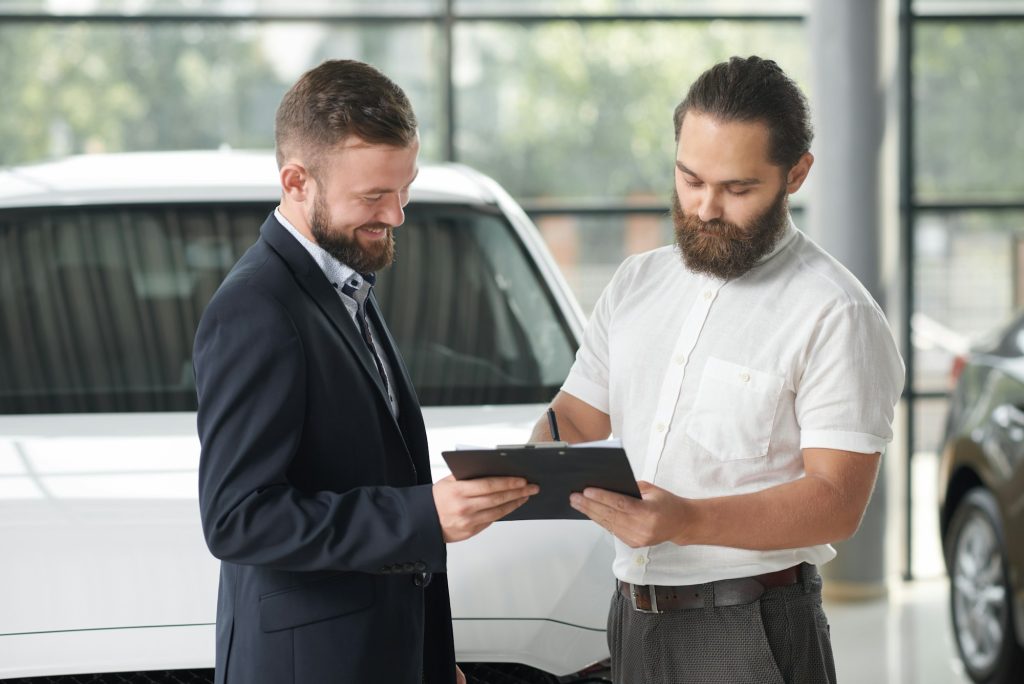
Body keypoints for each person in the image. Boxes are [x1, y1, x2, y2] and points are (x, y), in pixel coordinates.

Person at [530, 55, 904, 684]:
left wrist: (688, 519)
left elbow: (837, 502)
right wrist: (524, 462)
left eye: (737, 189)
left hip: (752, 627)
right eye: (690, 178)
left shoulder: (836, 312)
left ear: (796, 175)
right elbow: (577, 415)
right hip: (630, 615)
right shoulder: (635, 283)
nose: (704, 208)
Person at [194, 59, 538, 684]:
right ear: (297, 180)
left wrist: (430, 658)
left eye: (404, 189)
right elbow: (237, 518)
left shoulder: (345, 282)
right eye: (374, 196)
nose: (397, 214)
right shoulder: (256, 308)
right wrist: (423, 516)